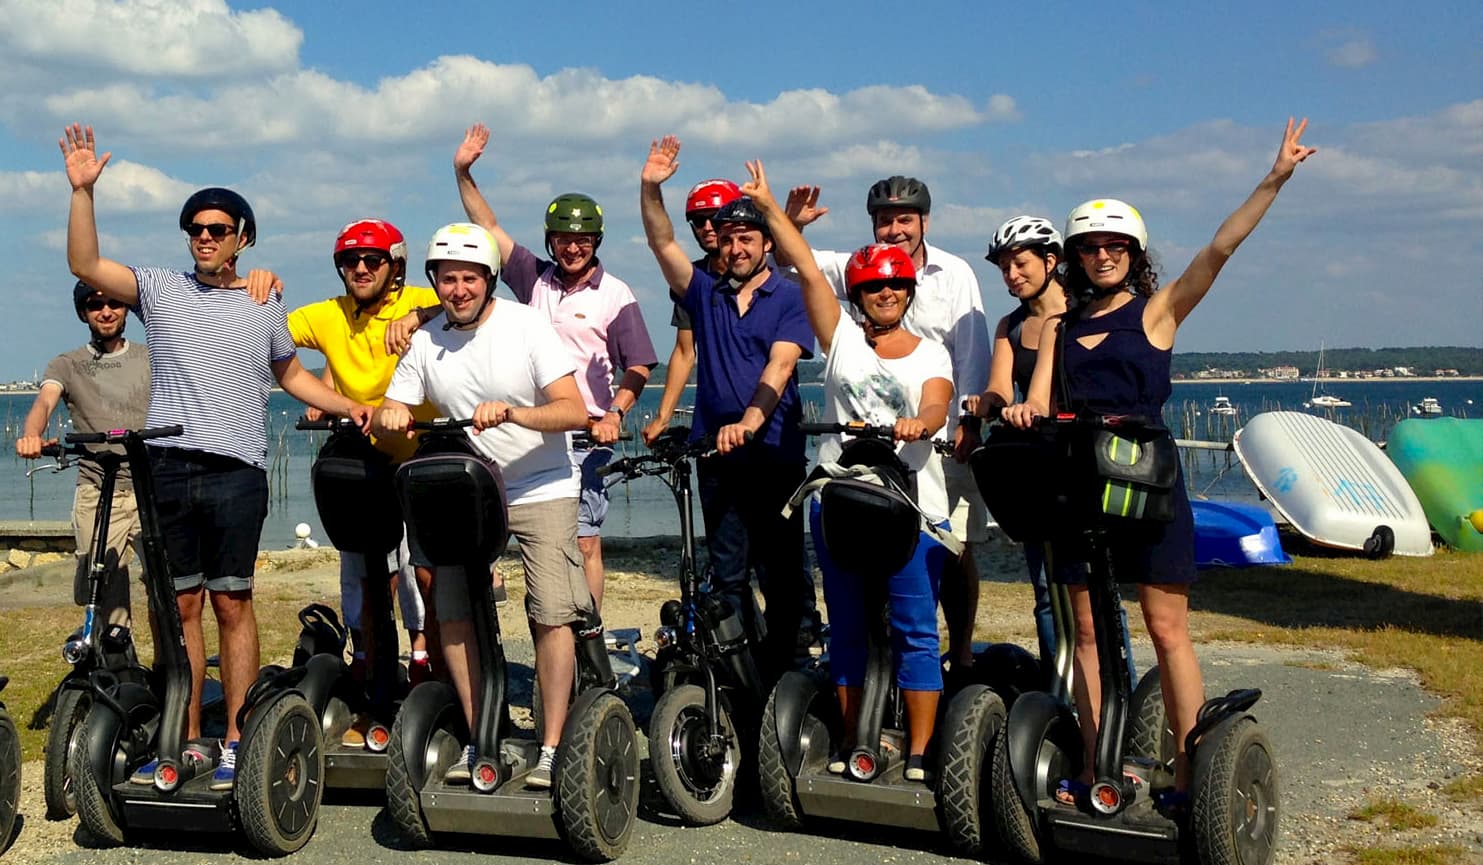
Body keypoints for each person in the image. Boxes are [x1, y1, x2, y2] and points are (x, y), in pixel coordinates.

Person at [1002, 118, 1316, 809]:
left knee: (1165, 625)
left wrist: (1274, 177)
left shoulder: (1158, 311)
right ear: (1075, 258)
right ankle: (1094, 763)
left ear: (1132, 252)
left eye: (1115, 245)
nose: (1103, 255)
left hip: (1147, 485)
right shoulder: (1060, 326)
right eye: (1090, 247)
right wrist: (1022, 413)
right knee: (1085, 630)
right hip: (1083, 489)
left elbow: (1221, 247)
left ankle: (1186, 767)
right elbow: (1038, 396)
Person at [60, 123, 373, 791]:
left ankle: (236, 735)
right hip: (169, 468)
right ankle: (187, 734)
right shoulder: (157, 289)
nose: (204, 237)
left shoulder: (265, 298)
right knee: (180, 609)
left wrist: (349, 405)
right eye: (196, 229)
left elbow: (291, 376)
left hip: (238, 474)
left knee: (234, 603)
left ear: (241, 238)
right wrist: (83, 193)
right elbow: (86, 266)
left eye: (217, 229)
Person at [743, 161, 955, 783]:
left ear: (908, 293)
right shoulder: (841, 340)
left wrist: (924, 421)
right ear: (857, 296)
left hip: (910, 504)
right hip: (839, 499)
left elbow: (939, 399)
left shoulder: (930, 351)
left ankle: (918, 752)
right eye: (871, 289)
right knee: (849, 628)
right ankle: (855, 738)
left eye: (894, 288)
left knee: (915, 628)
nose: (884, 295)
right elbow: (807, 268)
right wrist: (767, 210)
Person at [374, 222, 591, 790]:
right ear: (435, 283)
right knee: (451, 613)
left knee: (549, 611)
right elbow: (394, 407)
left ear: (489, 280)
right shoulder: (426, 341)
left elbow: (573, 412)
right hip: (467, 492)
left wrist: (515, 413)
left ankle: (550, 744)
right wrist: (392, 415)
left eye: (470, 278)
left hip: (539, 483)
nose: (459, 289)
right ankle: (481, 738)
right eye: (448, 279)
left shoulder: (526, 326)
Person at [783, 176, 990, 680]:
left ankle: (958, 654)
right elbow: (797, 266)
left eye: (905, 219)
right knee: (864, 587)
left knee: (954, 549)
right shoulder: (858, 266)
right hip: (865, 457)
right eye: (885, 220)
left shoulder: (954, 272)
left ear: (924, 221)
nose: (894, 229)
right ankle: (880, 673)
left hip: (940, 439)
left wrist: (967, 423)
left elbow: (971, 351)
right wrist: (785, 219)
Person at [452, 123, 657, 612]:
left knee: (584, 541)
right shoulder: (533, 279)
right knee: (510, 538)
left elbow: (640, 365)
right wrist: (462, 172)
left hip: (585, 435)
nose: (573, 248)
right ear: (551, 241)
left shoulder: (615, 294)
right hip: (526, 431)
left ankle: (587, 633)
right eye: (564, 239)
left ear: (596, 241)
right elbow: (489, 229)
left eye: (583, 239)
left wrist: (615, 414)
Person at [640, 135, 817, 684]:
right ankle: (739, 682)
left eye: (748, 237)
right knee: (727, 577)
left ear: (767, 242)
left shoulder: (789, 295)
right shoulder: (704, 293)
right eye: (730, 238)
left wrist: (750, 421)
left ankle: (788, 677)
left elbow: (781, 367)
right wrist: (649, 187)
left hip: (774, 455)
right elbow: (663, 242)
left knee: (783, 575)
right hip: (718, 458)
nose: (736, 248)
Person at [286, 218, 440, 745]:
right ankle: (376, 685)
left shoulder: (418, 297)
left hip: (422, 452)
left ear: (394, 265)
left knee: (428, 573)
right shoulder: (330, 315)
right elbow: (265, 333)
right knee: (370, 574)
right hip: (367, 456)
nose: (360, 269)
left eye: (372, 260)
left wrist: (422, 313)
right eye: (350, 261)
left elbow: (478, 301)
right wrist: (248, 288)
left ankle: (434, 670)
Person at [15, 281, 152, 641]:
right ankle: (118, 668)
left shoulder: (150, 357)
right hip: (98, 488)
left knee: (167, 584)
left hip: (150, 487)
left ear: (126, 310)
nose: (106, 311)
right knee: (103, 587)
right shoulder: (68, 364)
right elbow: (45, 401)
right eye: (95, 305)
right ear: (83, 313)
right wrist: (32, 434)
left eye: (114, 303)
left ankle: (171, 670)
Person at [641, 178, 742, 445]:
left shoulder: (766, 275)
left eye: (715, 218)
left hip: (766, 426)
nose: (707, 227)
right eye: (699, 220)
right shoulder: (693, 280)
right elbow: (685, 351)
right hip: (712, 428)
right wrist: (663, 417)